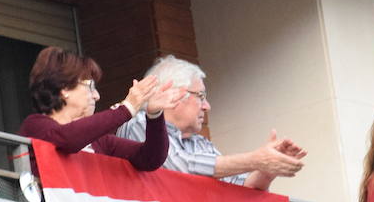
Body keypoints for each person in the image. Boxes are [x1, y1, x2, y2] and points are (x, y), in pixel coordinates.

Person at [116, 55, 305, 190]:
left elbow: (244, 187)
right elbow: (180, 167)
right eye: (200, 96)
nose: (207, 106)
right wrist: (256, 160)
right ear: (172, 94)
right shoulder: (139, 124)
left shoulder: (200, 143)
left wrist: (267, 168)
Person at [18, 47, 182, 174]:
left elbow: (150, 158)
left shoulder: (100, 142)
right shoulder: (35, 126)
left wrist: (154, 115)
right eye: (90, 86)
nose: (96, 96)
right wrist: (127, 108)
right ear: (64, 88)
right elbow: (67, 139)